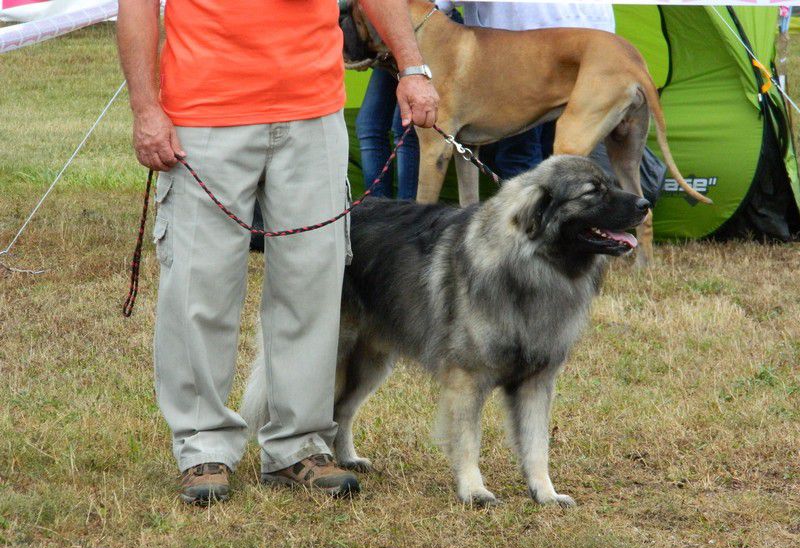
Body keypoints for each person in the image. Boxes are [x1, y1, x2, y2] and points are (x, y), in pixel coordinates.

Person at [117, 0, 438, 504]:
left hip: (313, 113)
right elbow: (135, 8)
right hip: (203, 116)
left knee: (313, 284)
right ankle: (202, 447)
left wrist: (413, 68)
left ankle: (299, 446)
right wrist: (144, 108)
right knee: (199, 288)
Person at [460, 2, 615, 179]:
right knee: (562, 157)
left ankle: (534, 204)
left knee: (522, 155)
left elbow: (434, 8)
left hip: (526, 50)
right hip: (595, 46)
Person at [355, 1, 460, 201]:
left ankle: (406, 217)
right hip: (393, 33)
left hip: (427, 25)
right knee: (369, 126)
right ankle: (377, 213)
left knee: (406, 128)